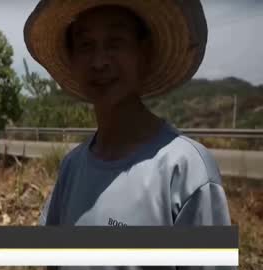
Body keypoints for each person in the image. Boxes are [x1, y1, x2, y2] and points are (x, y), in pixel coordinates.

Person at [24, 0, 233, 269]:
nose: (99, 62)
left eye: (116, 42)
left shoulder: (185, 170)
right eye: (86, 45)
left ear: (144, 53)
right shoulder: (71, 168)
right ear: (73, 59)